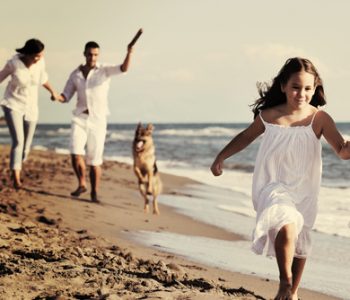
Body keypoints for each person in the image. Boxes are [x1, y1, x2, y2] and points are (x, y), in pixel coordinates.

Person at [210, 57, 350, 300]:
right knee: (285, 221)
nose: (301, 94)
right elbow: (245, 137)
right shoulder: (268, 116)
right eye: (296, 87)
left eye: (308, 88)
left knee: (301, 236)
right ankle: (284, 283)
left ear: (315, 88)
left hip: (305, 188)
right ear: (283, 86)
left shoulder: (319, 119)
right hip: (272, 184)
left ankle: (292, 293)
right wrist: (221, 156)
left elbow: (342, 150)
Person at [53, 41, 134, 202]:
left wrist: (129, 53)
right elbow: (66, 96)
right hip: (80, 117)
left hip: (98, 120)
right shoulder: (75, 74)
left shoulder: (104, 70)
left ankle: (94, 192)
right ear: (84, 54)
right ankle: (82, 183)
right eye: (90, 54)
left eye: (96, 54)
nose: (92, 57)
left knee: (94, 160)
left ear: (98, 55)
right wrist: (57, 96)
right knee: (75, 153)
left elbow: (124, 68)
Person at [0, 38, 58, 189]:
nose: (39, 58)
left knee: (26, 147)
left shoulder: (40, 63)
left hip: (31, 108)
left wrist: (53, 92)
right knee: (18, 141)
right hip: (12, 104)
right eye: (36, 56)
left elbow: (43, 79)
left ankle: (18, 163)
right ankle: (16, 178)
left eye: (41, 55)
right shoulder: (13, 64)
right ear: (27, 53)